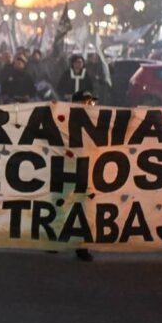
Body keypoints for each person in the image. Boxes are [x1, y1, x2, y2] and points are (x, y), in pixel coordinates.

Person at [71, 90, 96, 262]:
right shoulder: (64, 118)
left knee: (83, 208)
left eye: (91, 102)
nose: (91, 105)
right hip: (67, 167)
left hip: (87, 168)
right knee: (61, 205)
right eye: (86, 102)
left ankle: (81, 246)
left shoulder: (96, 119)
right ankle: (53, 241)